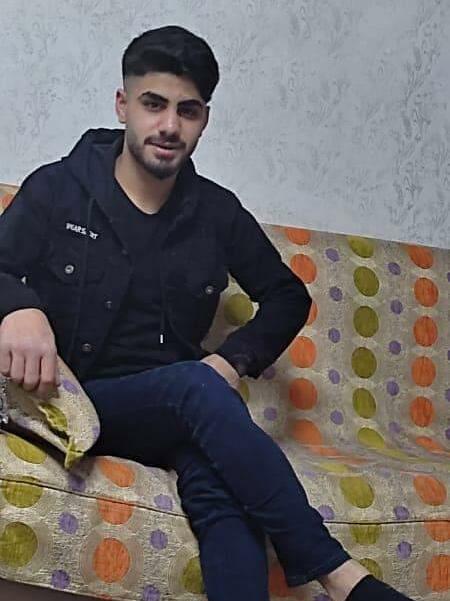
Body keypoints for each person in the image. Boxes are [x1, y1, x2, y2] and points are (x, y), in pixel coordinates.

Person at [0, 25, 415, 601]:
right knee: (196, 388)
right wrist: (18, 308)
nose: (169, 126)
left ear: (204, 120)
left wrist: (232, 360)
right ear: (123, 105)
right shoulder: (59, 188)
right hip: (79, 400)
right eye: (153, 104)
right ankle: (342, 578)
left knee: (223, 489)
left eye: (187, 111)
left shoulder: (217, 212)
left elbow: (288, 295)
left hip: (176, 413)